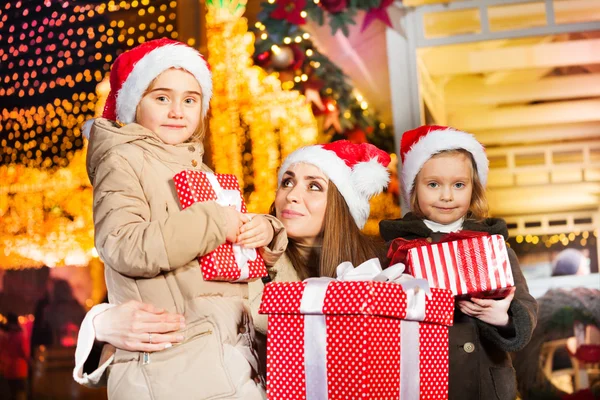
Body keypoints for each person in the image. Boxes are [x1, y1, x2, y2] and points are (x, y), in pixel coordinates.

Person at [73, 140, 391, 385]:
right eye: (288, 181)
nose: (292, 195)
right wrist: (100, 325)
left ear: (342, 205)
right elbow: (188, 300)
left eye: (314, 186)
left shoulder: (381, 268)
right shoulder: (242, 254)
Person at [77, 38, 287, 399]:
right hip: (172, 368)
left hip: (227, 360)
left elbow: (222, 261)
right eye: (162, 98)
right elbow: (124, 245)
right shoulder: (123, 161)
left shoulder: (198, 169)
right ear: (134, 104)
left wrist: (265, 232)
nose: (177, 111)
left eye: (190, 100)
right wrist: (215, 221)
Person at [379, 125, 538, 400]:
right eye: (433, 184)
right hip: (426, 382)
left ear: (473, 189)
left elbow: (525, 304)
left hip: (486, 384)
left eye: (459, 185)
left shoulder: (494, 246)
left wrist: (503, 317)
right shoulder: (397, 249)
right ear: (413, 189)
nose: (447, 196)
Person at [0, 313, 29, 400]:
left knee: (11, 393)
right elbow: (24, 352)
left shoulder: (3, 337)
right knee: (20, 393)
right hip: (20, 369)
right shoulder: (20, 336)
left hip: (7, 369)